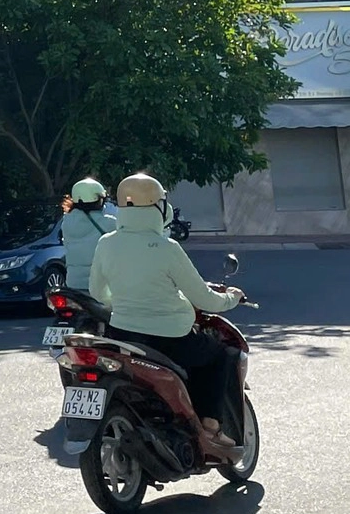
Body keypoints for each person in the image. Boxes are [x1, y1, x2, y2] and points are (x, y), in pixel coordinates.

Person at [88, 172, 246, 447]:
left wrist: (126, 302)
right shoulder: (166, 247)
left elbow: (98, 293)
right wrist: (231, 298)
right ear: (158, 207)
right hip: (170, 338)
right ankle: (211, 425)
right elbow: (206, 300)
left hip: (123, 335)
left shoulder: (106, 243)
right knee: (221, 356)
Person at [58, 177, 117, 292]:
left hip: (73, 283)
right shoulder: (109, 223)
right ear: (98, 200)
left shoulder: (66, 223)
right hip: (101, 286)